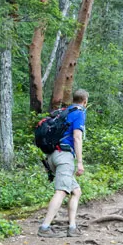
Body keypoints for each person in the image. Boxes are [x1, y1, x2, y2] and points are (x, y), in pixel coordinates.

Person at [38, 89, 88, 237]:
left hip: (52, 155)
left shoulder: (64, 112)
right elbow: (77, 137)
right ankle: (44, 228)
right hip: (64, 157)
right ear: (85, 101)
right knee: (61, 191)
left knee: (76, 191)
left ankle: (72, 227)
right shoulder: (79, 113)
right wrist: (79, 162)